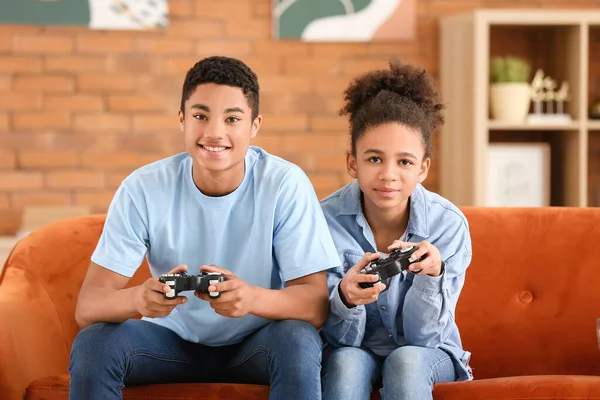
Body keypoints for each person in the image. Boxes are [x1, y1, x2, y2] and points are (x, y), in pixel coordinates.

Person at [69, 55, 341, 400]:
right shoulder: (143, 188)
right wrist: (139, 298)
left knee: (299, 340)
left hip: (255, 342)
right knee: (94, 344)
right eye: (200, 116)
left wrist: (250, 298)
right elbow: (89, 306)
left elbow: (315, 304)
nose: (215, 133)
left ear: (254, 125)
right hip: (169, 343)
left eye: (232, 119)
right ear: (182, 119)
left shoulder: (284, 183)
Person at [319, 60, 474, 400]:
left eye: (404, 161)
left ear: (423, 168)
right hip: (354, 350)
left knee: (405, 361)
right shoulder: (324, 221)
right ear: (352, 163)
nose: (389, 175)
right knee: (344, 363)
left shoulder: (447, 224)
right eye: (374, 159)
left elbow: (425, 339)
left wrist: (431, 276)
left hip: (428, 353)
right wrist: (345, 298)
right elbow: (338, 340)